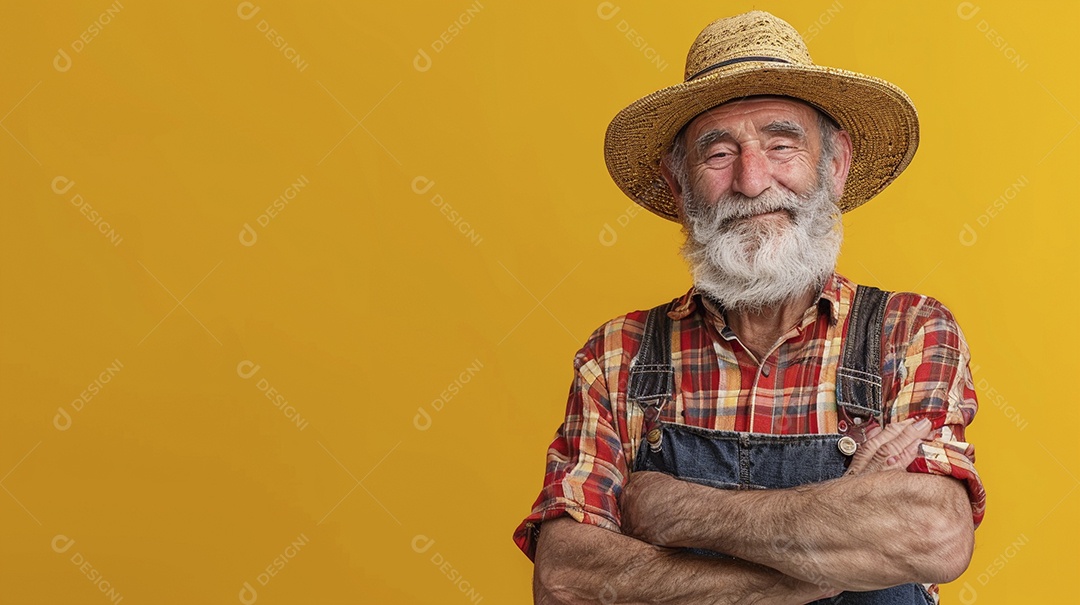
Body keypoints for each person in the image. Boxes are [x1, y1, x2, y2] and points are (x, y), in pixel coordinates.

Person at [513, 10, 986, 605]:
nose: (753, 180)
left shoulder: (908, 332)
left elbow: (934, 534)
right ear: (678, 185)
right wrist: (814, 570)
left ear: (834, 165)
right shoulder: (617, 355)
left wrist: (676, 509)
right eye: (718, 154)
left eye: (781, 145)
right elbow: (564, 579)